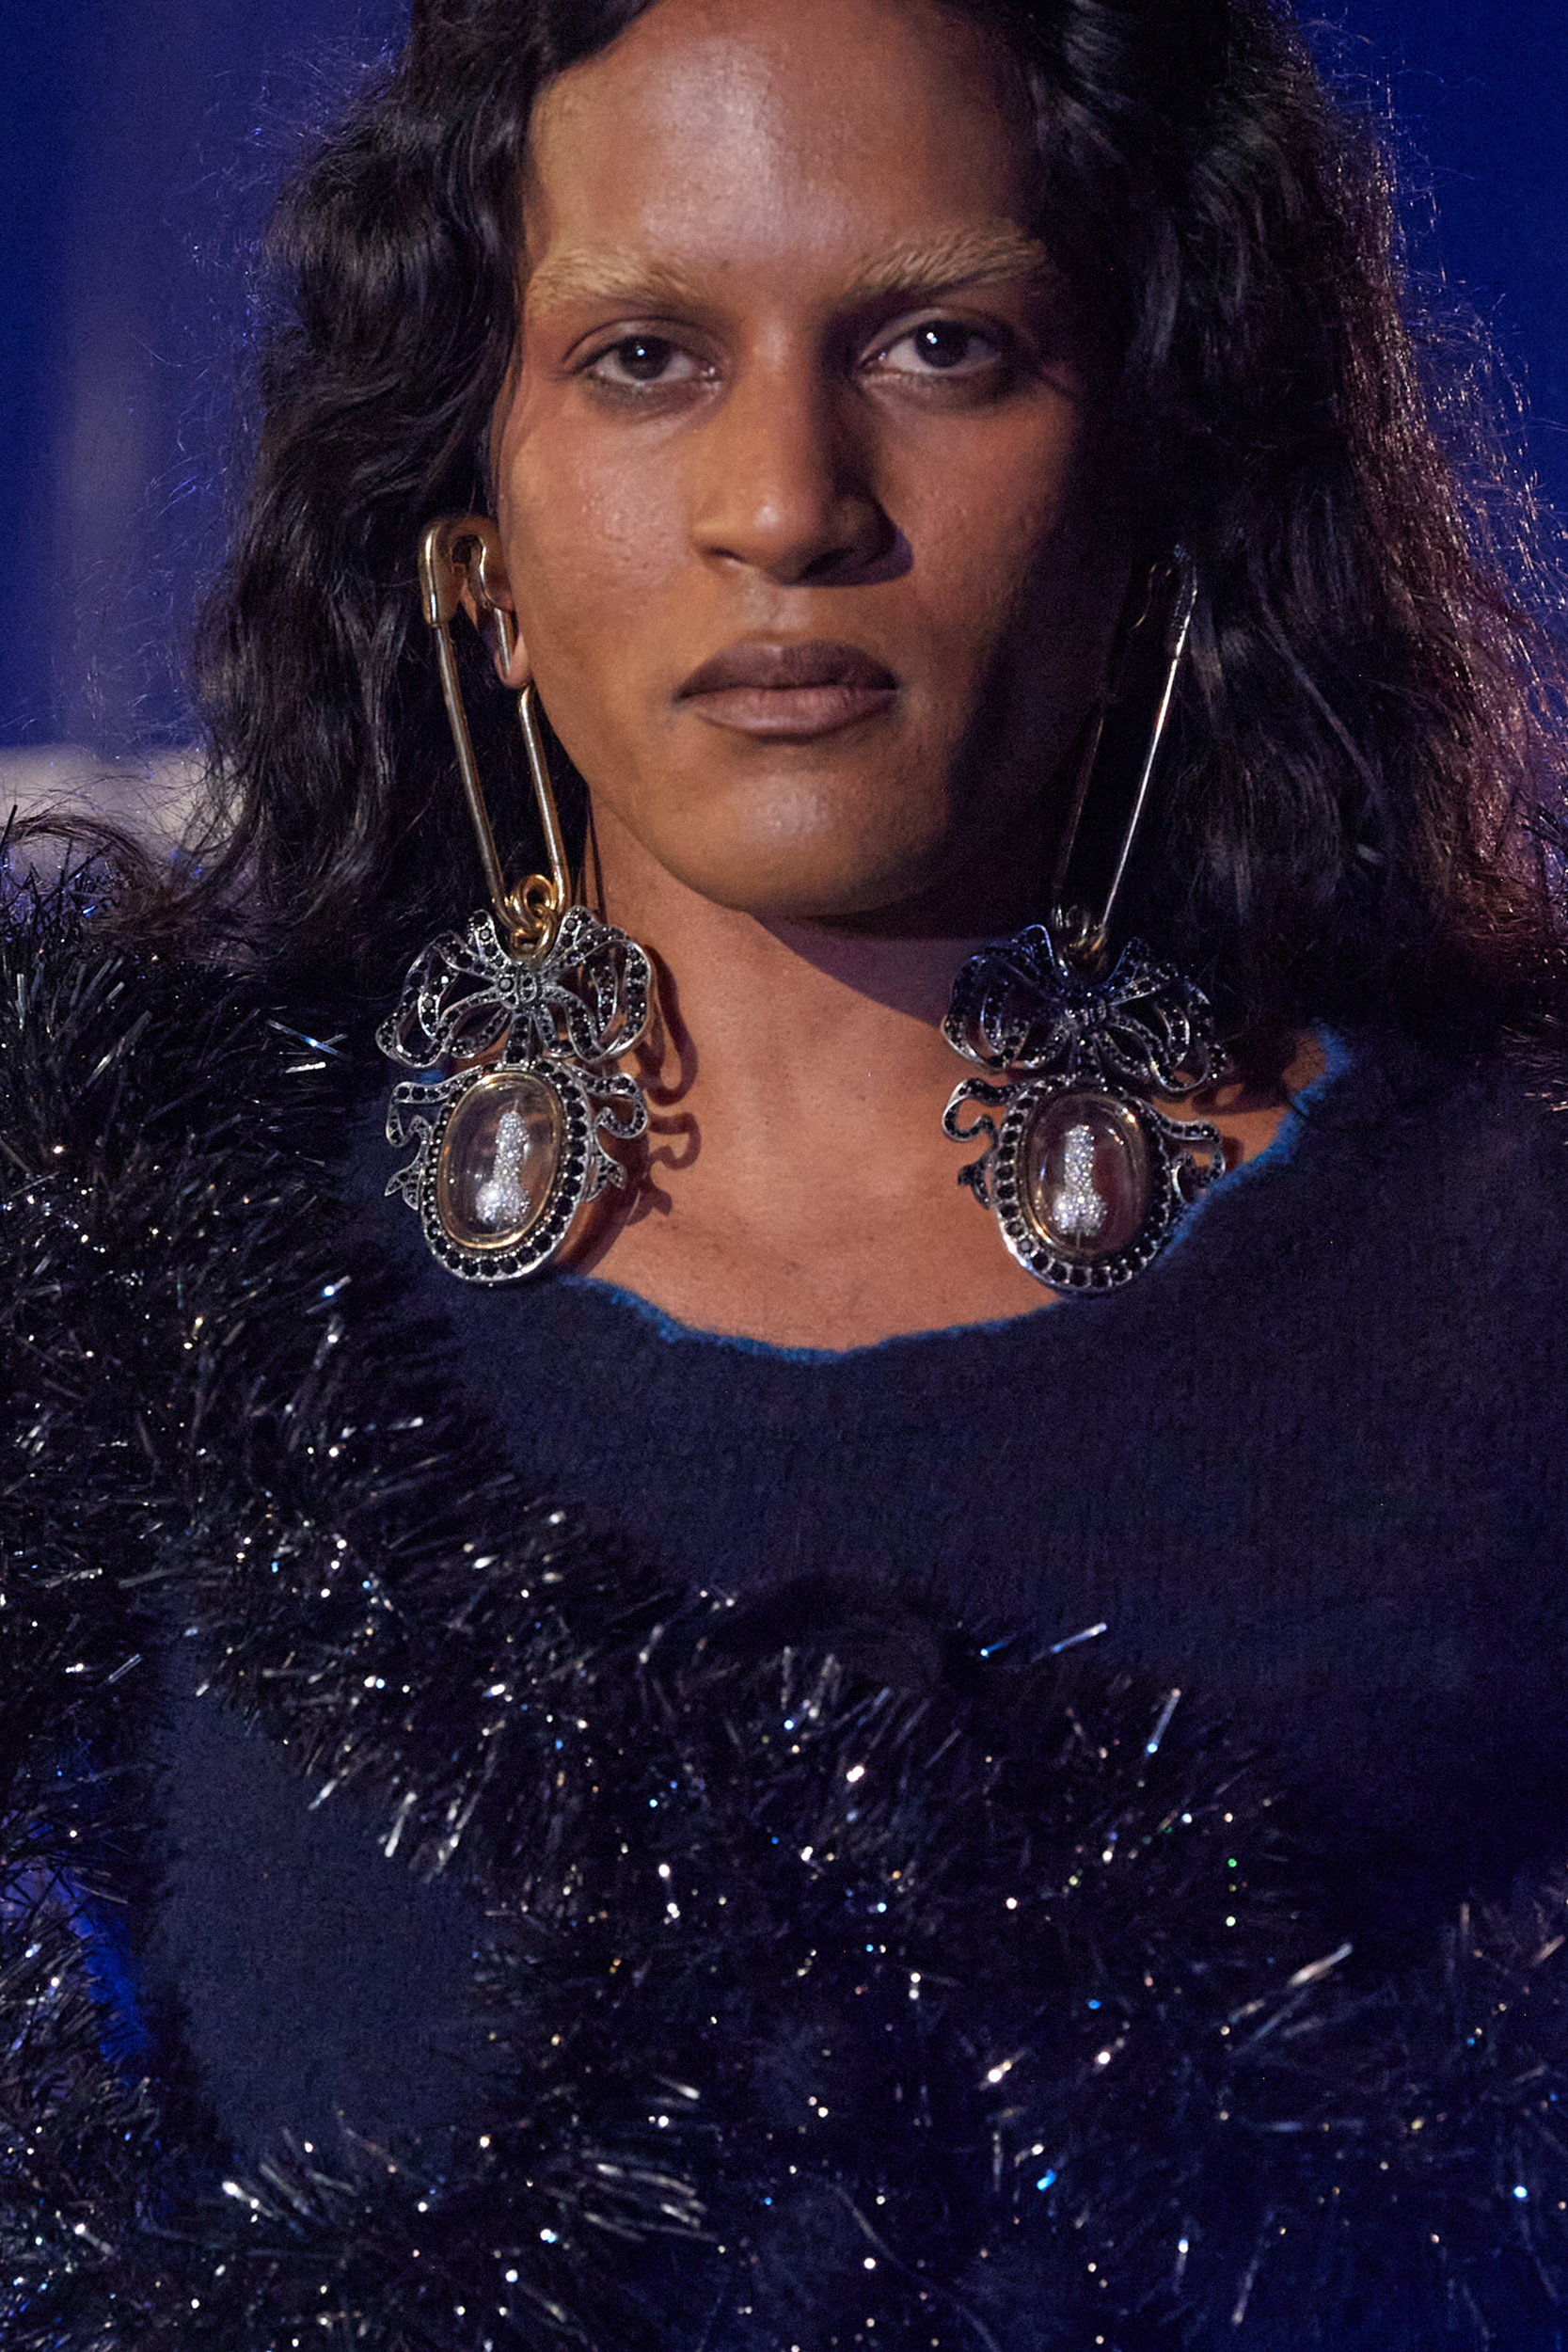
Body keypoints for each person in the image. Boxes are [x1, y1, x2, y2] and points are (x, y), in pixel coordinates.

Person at [7, 0, 1568, 2343]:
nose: (786, 502)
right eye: (644, 356)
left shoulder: (1511, 1273)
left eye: (941, 345)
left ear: (1158, 481)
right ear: (474, 551)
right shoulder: (135, 1259)